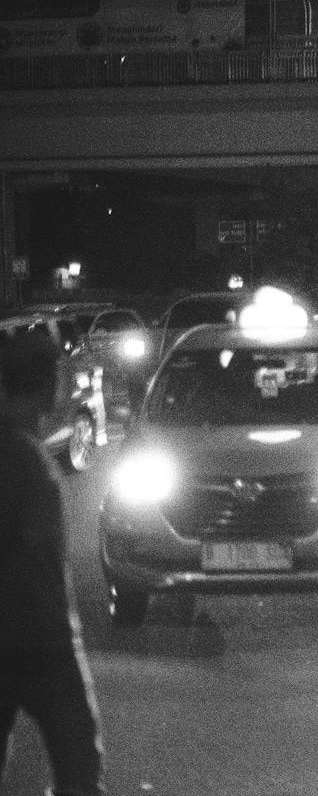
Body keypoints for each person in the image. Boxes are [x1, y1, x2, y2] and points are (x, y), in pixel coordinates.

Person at [0, 329, 108, 796]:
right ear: (50, 386)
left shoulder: (20, 448)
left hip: (24, 638)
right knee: (79, 764)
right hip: (39, 640)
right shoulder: (21, 458)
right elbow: (36, 552)